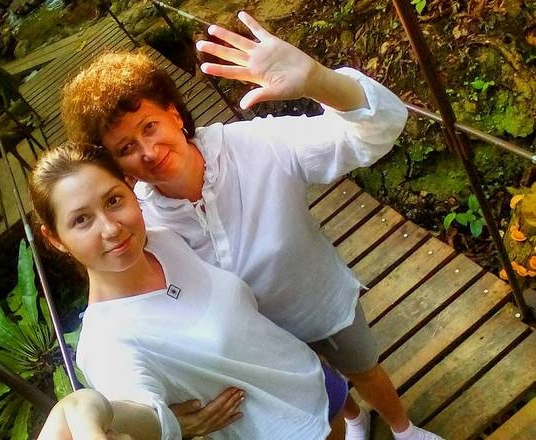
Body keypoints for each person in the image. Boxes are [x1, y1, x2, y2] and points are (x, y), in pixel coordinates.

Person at [61, 10, 444, 440]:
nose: (148, 151)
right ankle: (354, 418)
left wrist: (318, 80)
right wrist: (166, 420)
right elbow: (124, 307)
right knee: (323, 381)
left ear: (174, 114)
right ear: (119, 166)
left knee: (364, 369)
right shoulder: (140, 222)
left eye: (149, 126)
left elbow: (371, 134)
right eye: (126, 147)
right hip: (258, 346)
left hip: (317, 303)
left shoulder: (258, 147)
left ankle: (403, 429)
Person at [30, 141, 349, 439]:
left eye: (113, 201)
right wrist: (104, 413)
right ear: (55, 239)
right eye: (82, 220)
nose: (111, 228)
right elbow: (136, 408)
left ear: (130, 188)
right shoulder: (106, 343)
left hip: (309, 373)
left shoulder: (163, 240)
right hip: (288, 429)